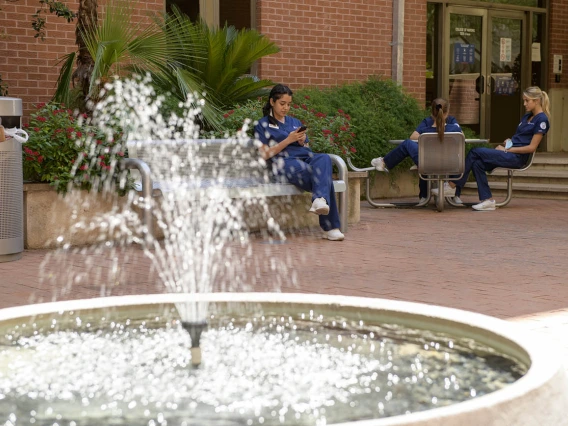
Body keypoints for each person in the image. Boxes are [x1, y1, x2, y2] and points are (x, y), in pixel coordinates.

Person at [434, 86, 550, 211]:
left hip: (517, 158)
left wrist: (507, 150)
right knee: (477, 163)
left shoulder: (542, 120)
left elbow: (531, 148)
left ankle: (452, 185)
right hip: (510, 152)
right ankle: (487, 200)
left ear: (536, 101)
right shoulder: (526, 117)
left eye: (527, 101)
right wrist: (509, 142)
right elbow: (520, 139)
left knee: (474, 152)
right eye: (524, 100)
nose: (524, 103)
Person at [254, 84, 344, 241]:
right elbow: (264, 155)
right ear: (272, 102)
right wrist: (288, 140)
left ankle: (319, 200)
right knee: (324, 177)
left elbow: (307, 147)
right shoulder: (262, 125)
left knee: (324, 158)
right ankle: (331, 227)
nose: (286, 108)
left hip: (306, 159)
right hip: (285, 163)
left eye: (289, 104)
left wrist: (302, 141)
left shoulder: (295, 122)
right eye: (282, 103)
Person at [371, 98, 463, 204]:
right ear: (447, 112)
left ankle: (384, 162)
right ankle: (451, 193)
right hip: (451, 164)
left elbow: (412, 137)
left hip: (427, 164)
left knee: (407, 144)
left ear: (432, 112)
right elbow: (462, 137)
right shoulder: (456, 129)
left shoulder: (424, 132)